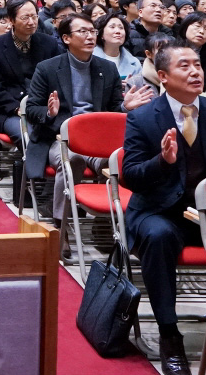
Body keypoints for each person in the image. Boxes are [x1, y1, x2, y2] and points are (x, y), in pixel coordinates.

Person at [121, 43, 206, 375]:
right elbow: (130, 176)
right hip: (158, 210)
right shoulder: (142, 117)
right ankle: (169, 335)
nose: (195, 71)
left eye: (197, 64)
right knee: (159, 237)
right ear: (163, 76)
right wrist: (161, 161)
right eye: (185, 66)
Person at [24, 14, 153, 221]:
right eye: (82, 32)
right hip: (59, 139)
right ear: (66, 38)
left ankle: (105, 222)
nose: (90, 36)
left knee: (114, 161)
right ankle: (61, 222)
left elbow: (112, 110)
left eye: (92, 31)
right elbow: (31, 109)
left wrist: (124, 107)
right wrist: (50, 113)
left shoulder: (107, 68)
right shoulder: (47, 68)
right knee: (72, 161)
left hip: (96, 140)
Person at [0, 0, 61, 141]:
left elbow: (57, 79)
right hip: (10, 110)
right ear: (11, 20)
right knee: (29, 137)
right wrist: (17, 108)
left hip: (44, 107)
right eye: (25, 18)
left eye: (34, 16)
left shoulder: (49, 43)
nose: (31, 22)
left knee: (64, 134)